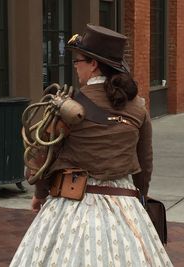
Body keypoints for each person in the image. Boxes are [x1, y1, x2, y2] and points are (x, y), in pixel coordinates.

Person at [10, 24, 173, 267]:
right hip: (124, 202)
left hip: (72, 200)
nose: (76, 67)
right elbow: (145, 164)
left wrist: (39, 194)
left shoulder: (67, 104)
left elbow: (43, 157)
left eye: (77, 61)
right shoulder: (138, 107)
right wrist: (140, 198)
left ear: (93, 64)